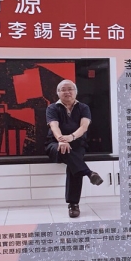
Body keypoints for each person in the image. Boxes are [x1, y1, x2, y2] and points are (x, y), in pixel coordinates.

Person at [45, 79, 102, 218]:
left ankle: (73, 204)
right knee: (68, 153)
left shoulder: (83, 108)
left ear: (76, 92)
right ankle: (89, 174)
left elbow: (84, 127)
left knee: (73, 164)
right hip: (55, 143)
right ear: (58, 93)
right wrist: (61, 140)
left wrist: (71, 138)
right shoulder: (52, 108)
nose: (67, 92)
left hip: (77, 143)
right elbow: (54, 126)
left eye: (70, 89)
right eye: (63, 89)